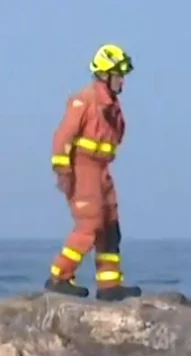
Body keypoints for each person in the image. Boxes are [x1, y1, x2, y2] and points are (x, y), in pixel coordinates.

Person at [44, 43, 142, 302]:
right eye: (119, 75)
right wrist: (63, 171)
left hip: (102, 170)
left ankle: (110, 285)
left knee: (110, 228)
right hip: (83, 168)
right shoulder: (85, 100)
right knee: (89, 225)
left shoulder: (112, 106)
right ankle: (59, 277)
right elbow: (62, 137)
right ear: (105, 74)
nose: (123, 81)